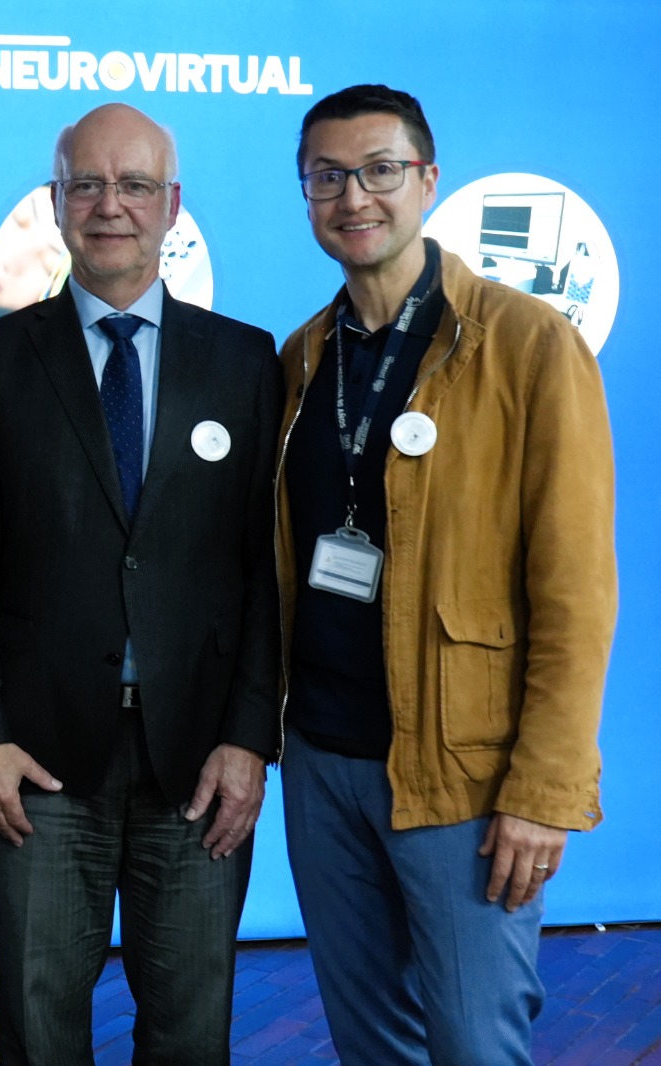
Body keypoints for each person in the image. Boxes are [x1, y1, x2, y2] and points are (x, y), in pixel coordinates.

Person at [0, 103, 283, 1064]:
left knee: (190, 1035)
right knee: (38, 1031)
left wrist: (250, 738)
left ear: (173, 204)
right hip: (36, 761)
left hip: (200, 761)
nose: (110, 205)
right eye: (86, 184)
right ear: (55, 203)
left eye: (134, 185)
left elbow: (263, 569)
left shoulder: (245, 360)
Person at [277, 84, 616, 1065]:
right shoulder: (302, 357)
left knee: (474, 1043)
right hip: (322, 761)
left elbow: (576, 592)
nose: (354, 197)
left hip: (462, 772)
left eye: (379, 170)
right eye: (327, 177)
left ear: (428, 180)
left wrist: (544, 788)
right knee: (370, 1042)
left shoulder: (529, 345)